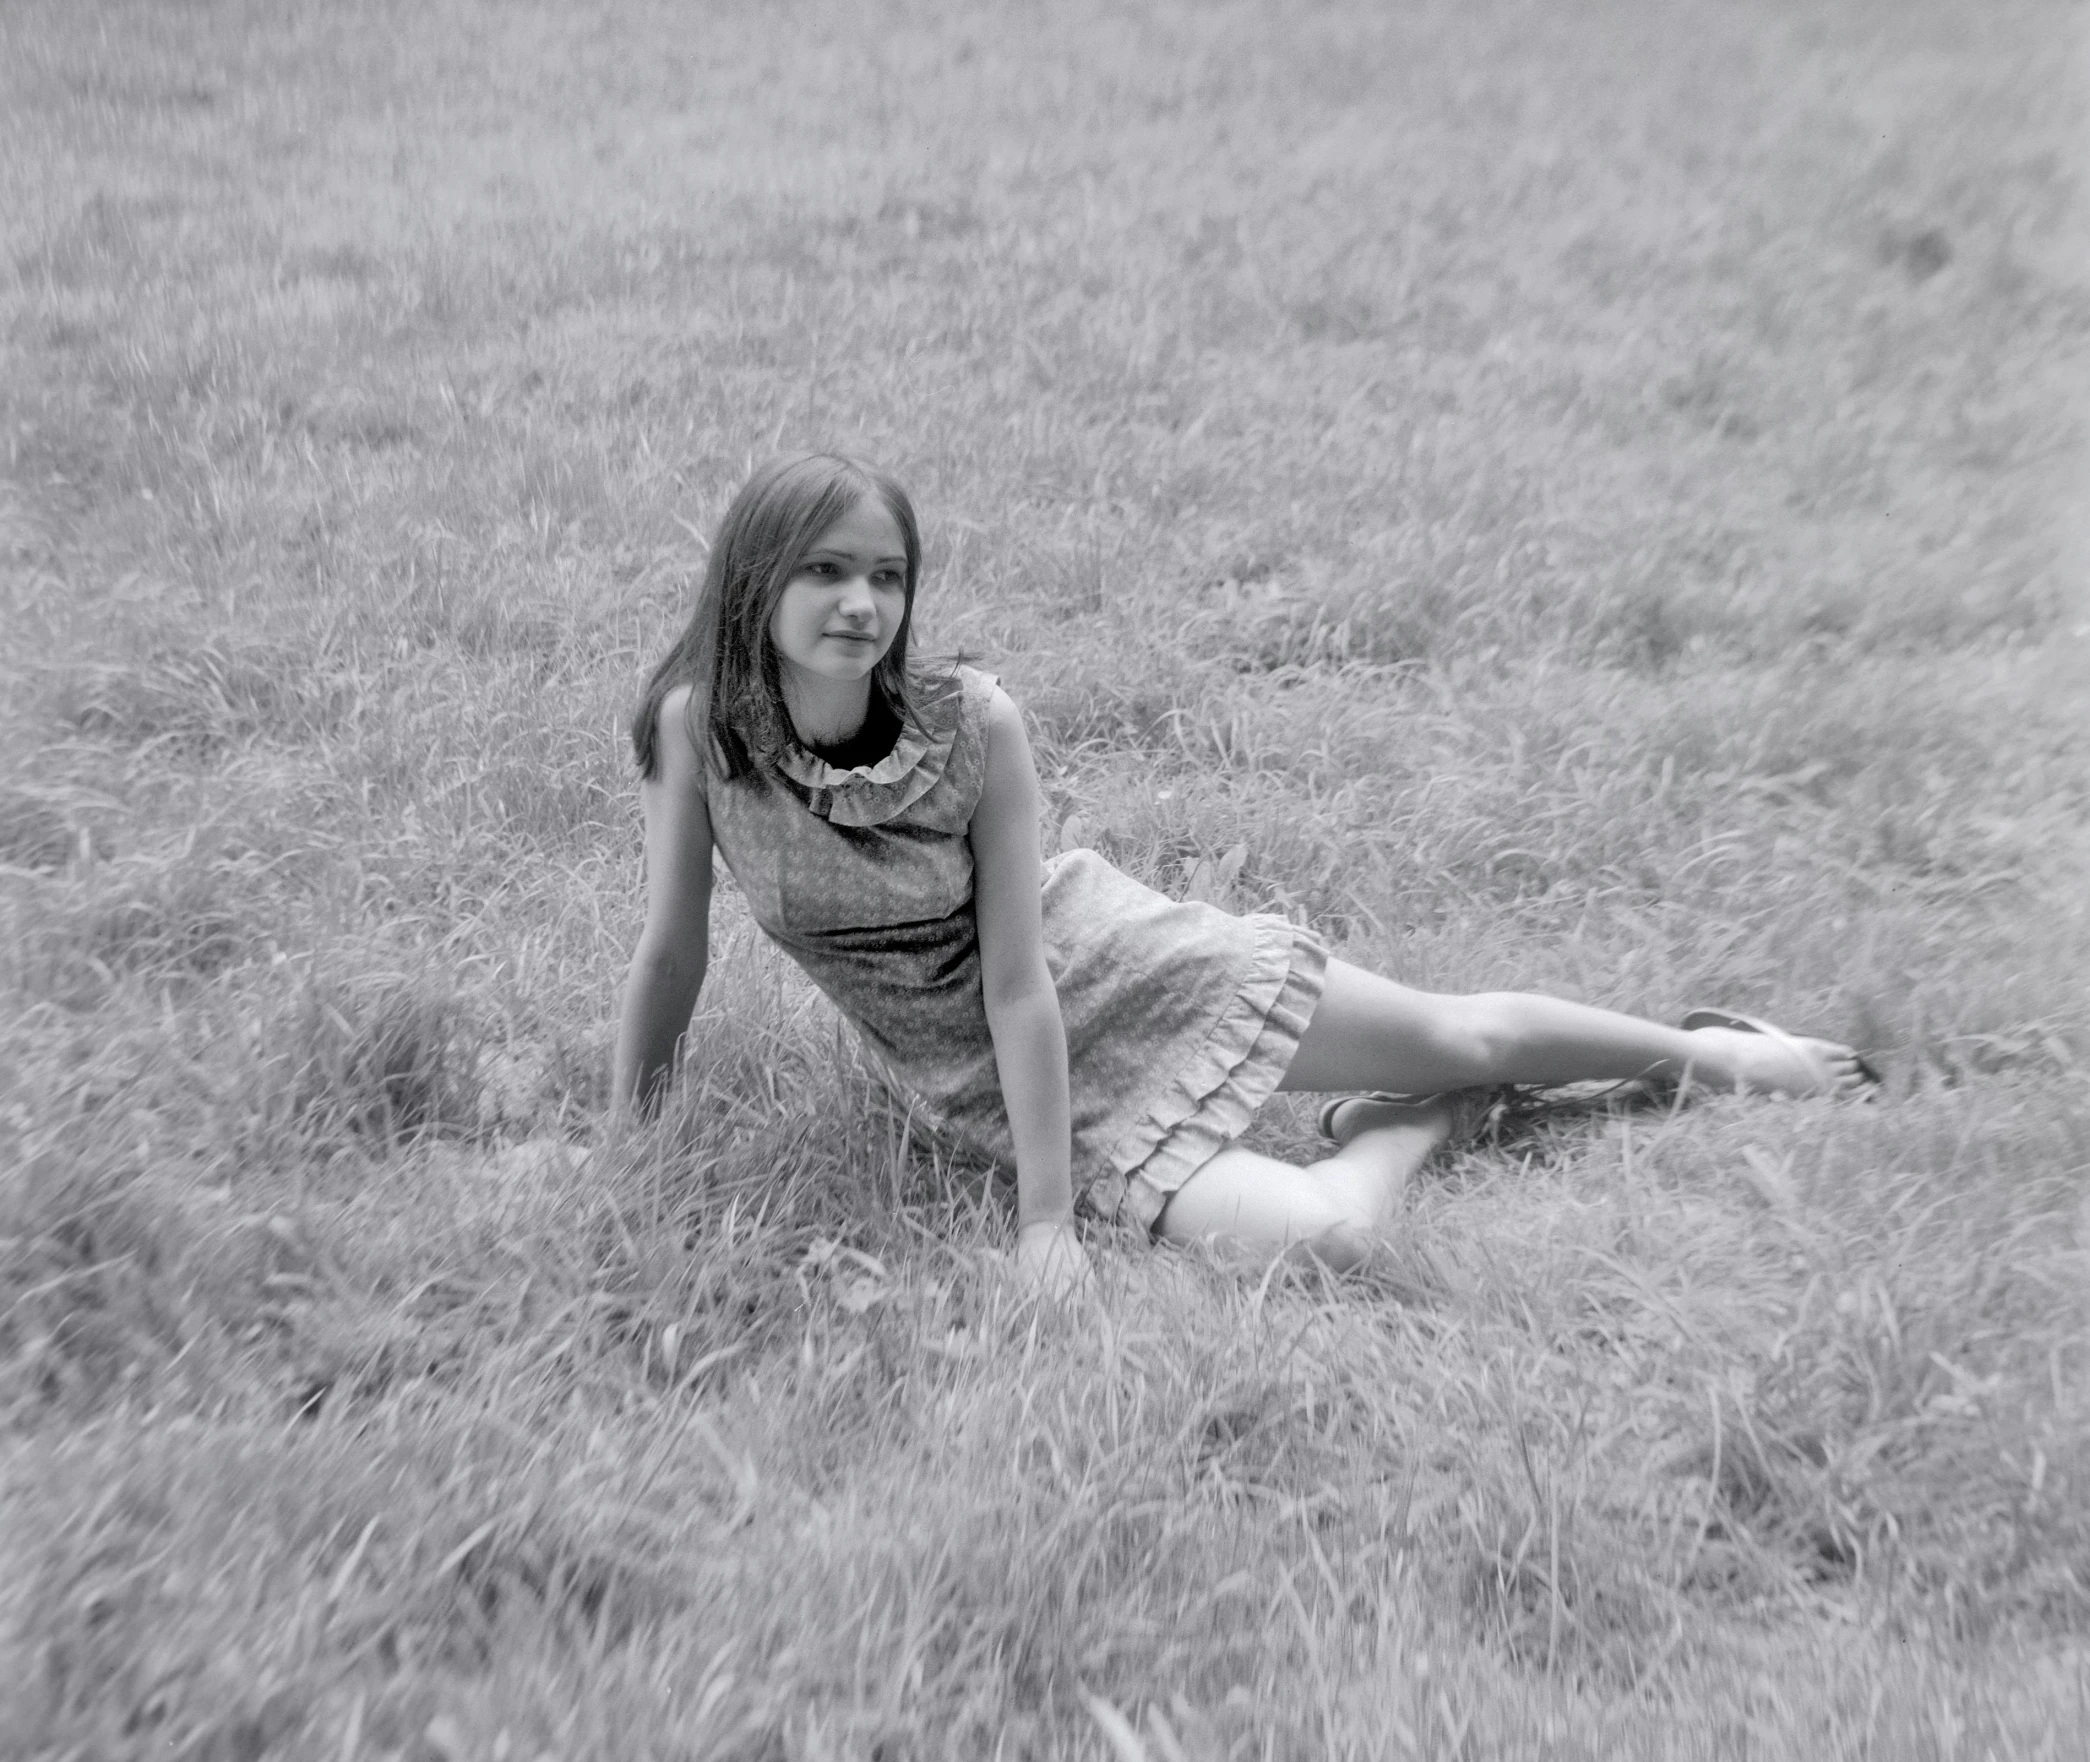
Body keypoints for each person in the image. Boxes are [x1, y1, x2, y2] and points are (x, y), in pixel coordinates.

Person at [613, 454, 1876, 1298]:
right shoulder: (697, 729)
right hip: (959, 1073)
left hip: (1096, 970)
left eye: (887, 574)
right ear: (753, 580)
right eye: (826, 570)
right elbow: (674, 954)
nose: (861, 603)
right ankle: (1416, 1123)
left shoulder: (972, 723)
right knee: (1324, 1234)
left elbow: (1020, 981)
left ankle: (1728, 1058)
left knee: (1463, 1028)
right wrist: (635, 1150)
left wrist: (1046, 1224)